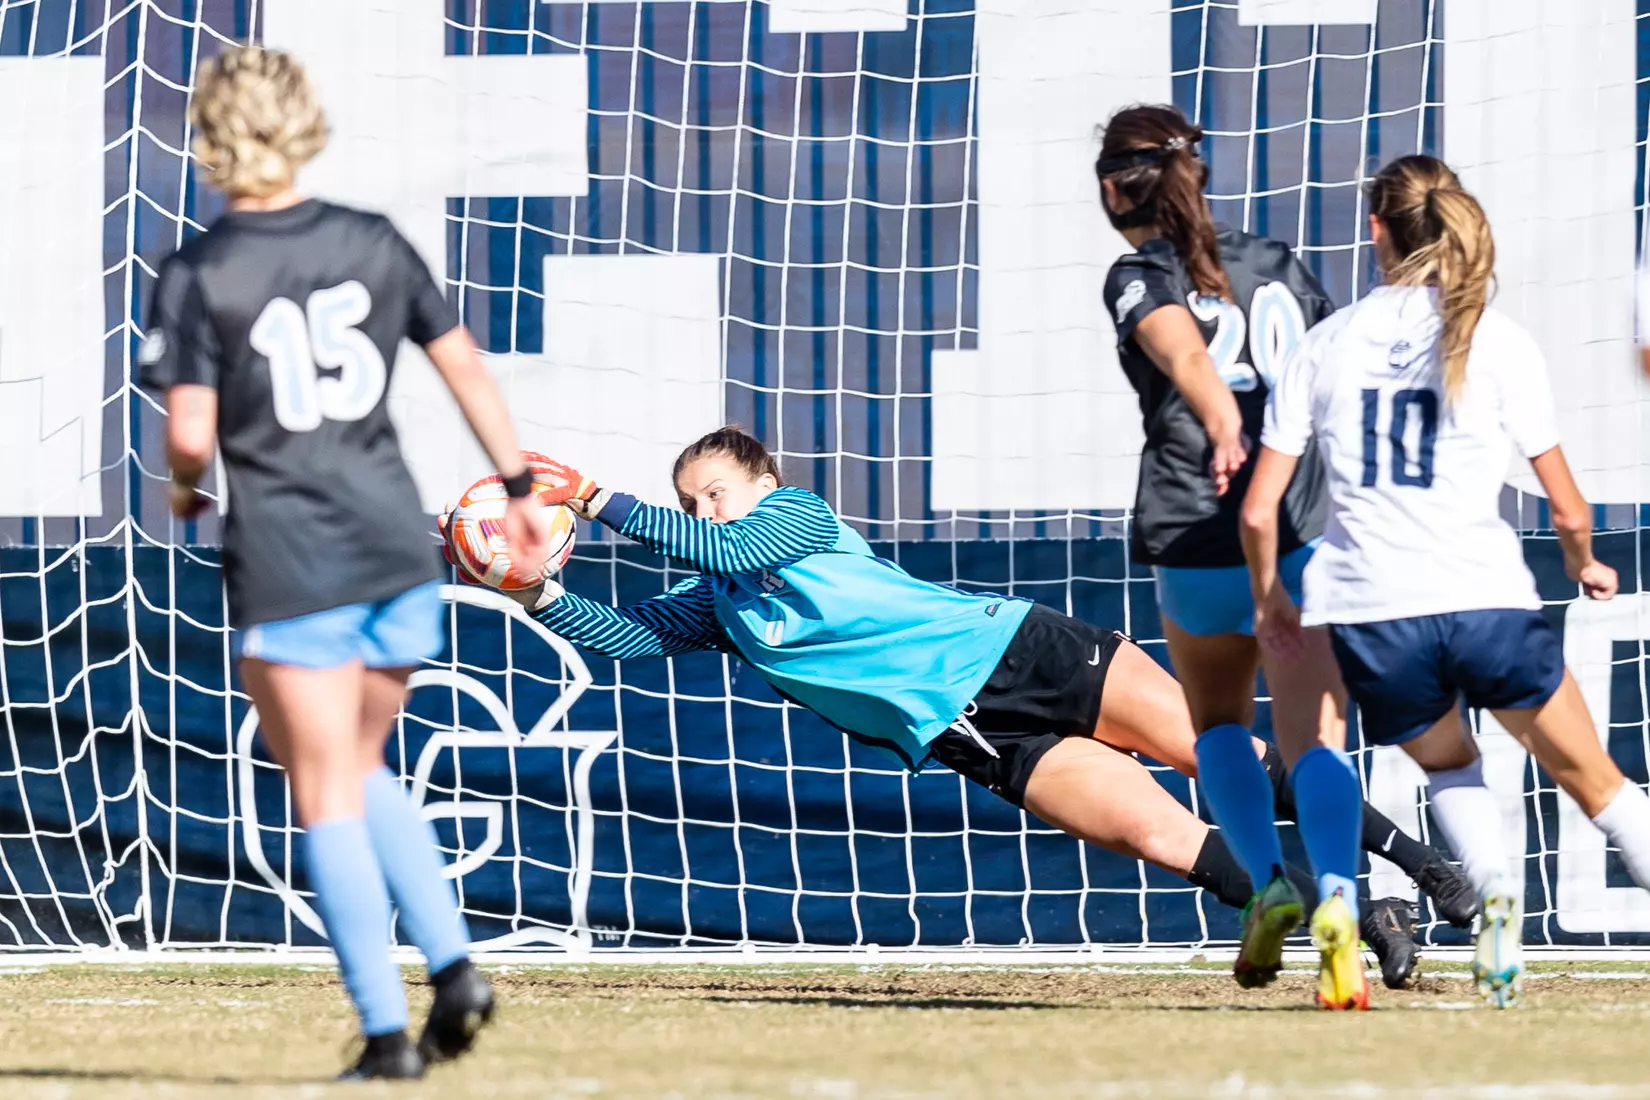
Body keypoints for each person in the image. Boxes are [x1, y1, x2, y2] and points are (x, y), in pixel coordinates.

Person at [444, 426, 1438, 986]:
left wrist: (600, 494)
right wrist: (534, 591)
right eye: (690, 499)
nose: (706, 511)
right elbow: (638, 637)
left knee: (1227, 758)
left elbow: (726, 546)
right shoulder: (722, 602)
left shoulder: (790, 520)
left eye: (715, 490)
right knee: (1177, 844)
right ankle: (1370, 915)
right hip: (973, 732)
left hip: (1027, 651)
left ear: (762, 482)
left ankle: (1419, 861)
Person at [140, 46, 545, 1078]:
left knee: (323, 789)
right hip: (394, 547)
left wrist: (185, 486)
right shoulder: (371, 239)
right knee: (361, 769)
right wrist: (515, 488)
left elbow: (189, 435)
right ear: (304, 123)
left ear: (212, 137)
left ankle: (383, 1034)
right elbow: (463, 365)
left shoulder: (198, 270)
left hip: (292, 556)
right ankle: (453, 966)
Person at [1241, 153, 1650, 1009]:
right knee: (1600, 787)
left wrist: (1274, 593)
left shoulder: (1326, 343)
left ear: (1376, 227)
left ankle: (1496, 897)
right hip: (1485, 599)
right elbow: (1569, 508)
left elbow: (1258, 510)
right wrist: (1584, 562)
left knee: (1450, 766)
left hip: (1374, 613)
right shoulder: (1494, 338)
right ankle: (1499, 900)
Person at [1095, 104, 1476, 1003]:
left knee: (1220, 724)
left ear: (1115, 187)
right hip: (1299, 530)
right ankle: (1342, 901)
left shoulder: (1136, 272)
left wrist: (1218, 414)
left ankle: (1270, 887)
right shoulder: (1274, 263)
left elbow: (1178, 344)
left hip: (1195, 534)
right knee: (1318, 739)